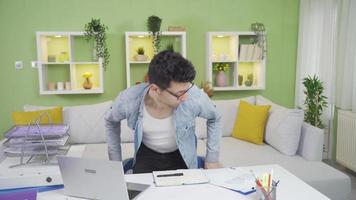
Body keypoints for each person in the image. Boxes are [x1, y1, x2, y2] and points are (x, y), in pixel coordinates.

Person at [105, 50, 222, 173]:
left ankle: (200, 162)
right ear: (155, 89)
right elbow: (110, 120)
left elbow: (215, 118)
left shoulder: (193, 95)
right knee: (141, 191)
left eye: (187, 89)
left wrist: (212, 159)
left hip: (182, 155)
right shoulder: (129, 99)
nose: (185, 97)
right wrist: (115, 163)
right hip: (147, 154)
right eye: (179, 94)